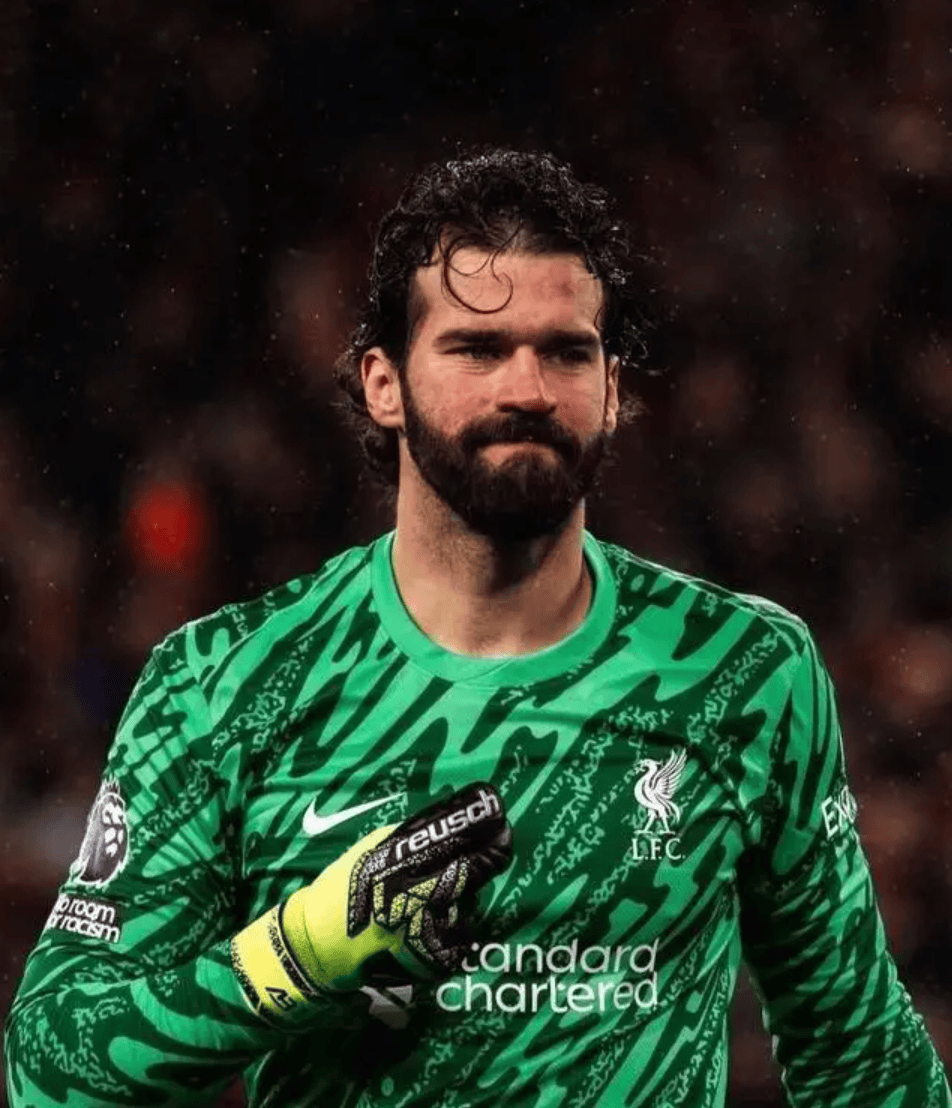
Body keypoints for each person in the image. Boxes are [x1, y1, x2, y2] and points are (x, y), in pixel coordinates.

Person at [4, 148, 950, 1108]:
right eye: (477, 349)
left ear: (612, 390)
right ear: (384, 384)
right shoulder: (224, 681)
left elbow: (860, 1057)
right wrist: (294, 956)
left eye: (566, 352)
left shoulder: (744, 671)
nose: (527, 388)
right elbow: (48, 1071)